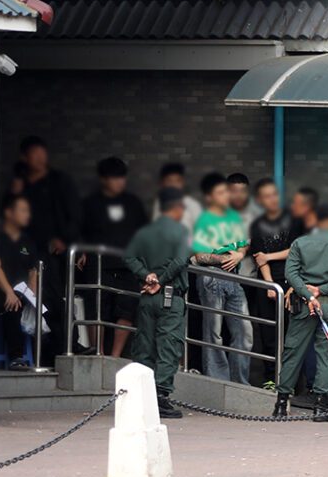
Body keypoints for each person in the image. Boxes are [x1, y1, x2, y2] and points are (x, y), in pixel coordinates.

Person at [279, 203, 328, 421]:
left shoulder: (300, 244)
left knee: (293, 352)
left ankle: (281, 402)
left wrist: (308, 294)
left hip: (303, 306)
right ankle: (321, 407)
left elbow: (290, 274)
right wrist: (322, 290)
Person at [122, 188, 192, 418]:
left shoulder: (145, 232)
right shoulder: (181, 231)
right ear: (177, 208)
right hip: (170, 298)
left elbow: (129, 257)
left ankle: (141, 396)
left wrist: (147, 276)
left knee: (145, 346)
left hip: (147, 296)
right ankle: (160, 398)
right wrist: (160, 281)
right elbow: (181, 259)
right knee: (168, 347)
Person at [13, 137, 81, 359]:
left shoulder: (59, 182)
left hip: (55, 255)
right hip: (26, 253)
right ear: (25, 158)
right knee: (38, 303)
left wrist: (68, 241)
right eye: (35, 155)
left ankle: (70, 345)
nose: (40, 160)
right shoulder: (21, 185)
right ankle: (46, 353)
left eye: (43, 155)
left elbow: (74, 216)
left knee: (60, 299)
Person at [78, 157, 144, 358]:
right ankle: (98, 353)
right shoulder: (90, 204)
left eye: (122, 178)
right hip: (99, 264)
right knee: (97, 310)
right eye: (115, 178)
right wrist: (80, 251)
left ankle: (114, 356)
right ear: (104, 179)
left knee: (126, 312)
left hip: (128, 265)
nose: (120, 182)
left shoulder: (132, 203)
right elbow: (79, 230)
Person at [189, 173, 252, 383]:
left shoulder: (234, 218)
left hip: (234, 277)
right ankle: (218, 380)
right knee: (213, 333)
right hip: (211, 276)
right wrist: (225, 257)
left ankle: (239, 383)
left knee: (245, 332)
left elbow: (244, 243)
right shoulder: (205, 220)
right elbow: (200, 256)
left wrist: (240, 254)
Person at [247, 181, 300, 387]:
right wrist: (270, 286)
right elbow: (259, 259)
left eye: (274, 195)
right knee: (269, 334)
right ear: (260, 200)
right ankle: (271, 379)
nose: (272, 199)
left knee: (292, 335)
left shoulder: (293, 221)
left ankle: (290, 382)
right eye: (267, 196)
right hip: (269, 285)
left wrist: (269, 256)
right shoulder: (257, 225)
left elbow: (295, 251)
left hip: (292, 282)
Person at [0, 194, 38, 368]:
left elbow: (33, 270)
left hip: (23, 292)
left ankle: (59, 353)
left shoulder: (27, 241)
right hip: (1, 293)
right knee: (13, 303)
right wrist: (9, 292)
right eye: (23, 210)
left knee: (55, 307)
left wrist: (33, 293)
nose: (27, 215)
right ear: (9, 213)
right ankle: (16, 357)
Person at [151, 162, 203, 229]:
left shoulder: (192, 204)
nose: (174, 185)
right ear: (162, 183)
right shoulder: (158, 203)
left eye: (178, 181)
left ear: (183, 182)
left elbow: (201, 231)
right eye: (169, 181)